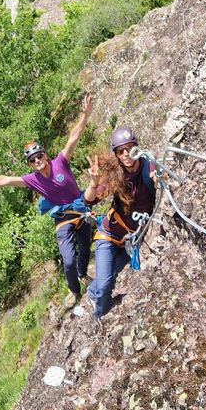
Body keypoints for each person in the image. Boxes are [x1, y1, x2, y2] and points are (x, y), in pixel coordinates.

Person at [0, 96, 94, 308]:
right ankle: (74, 290)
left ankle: (83, 273)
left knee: (86, 244)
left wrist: (85, 116)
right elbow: (4, 180)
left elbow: (73, 138)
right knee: (68, 260)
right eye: (32, 159)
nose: (37, 161)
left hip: (80, 209)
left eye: (39, 156)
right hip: (62, 219)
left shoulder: (61, 162)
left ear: (45, 154)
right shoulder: (32, 179)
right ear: (29, 164)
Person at [79, 126, 159, 324]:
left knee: (110, 276)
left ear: (137, 147)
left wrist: (159, 179)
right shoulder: (115, 174)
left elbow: (159, 178)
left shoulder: (149, 166)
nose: (126, 154)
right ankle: (99, 313)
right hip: (109, 233)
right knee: (106, 282)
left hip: (130, 239)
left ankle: (95, 298)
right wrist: (94, 183)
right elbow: (88, 201)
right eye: (120, 151)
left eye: (129, 148)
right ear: (116, 154)